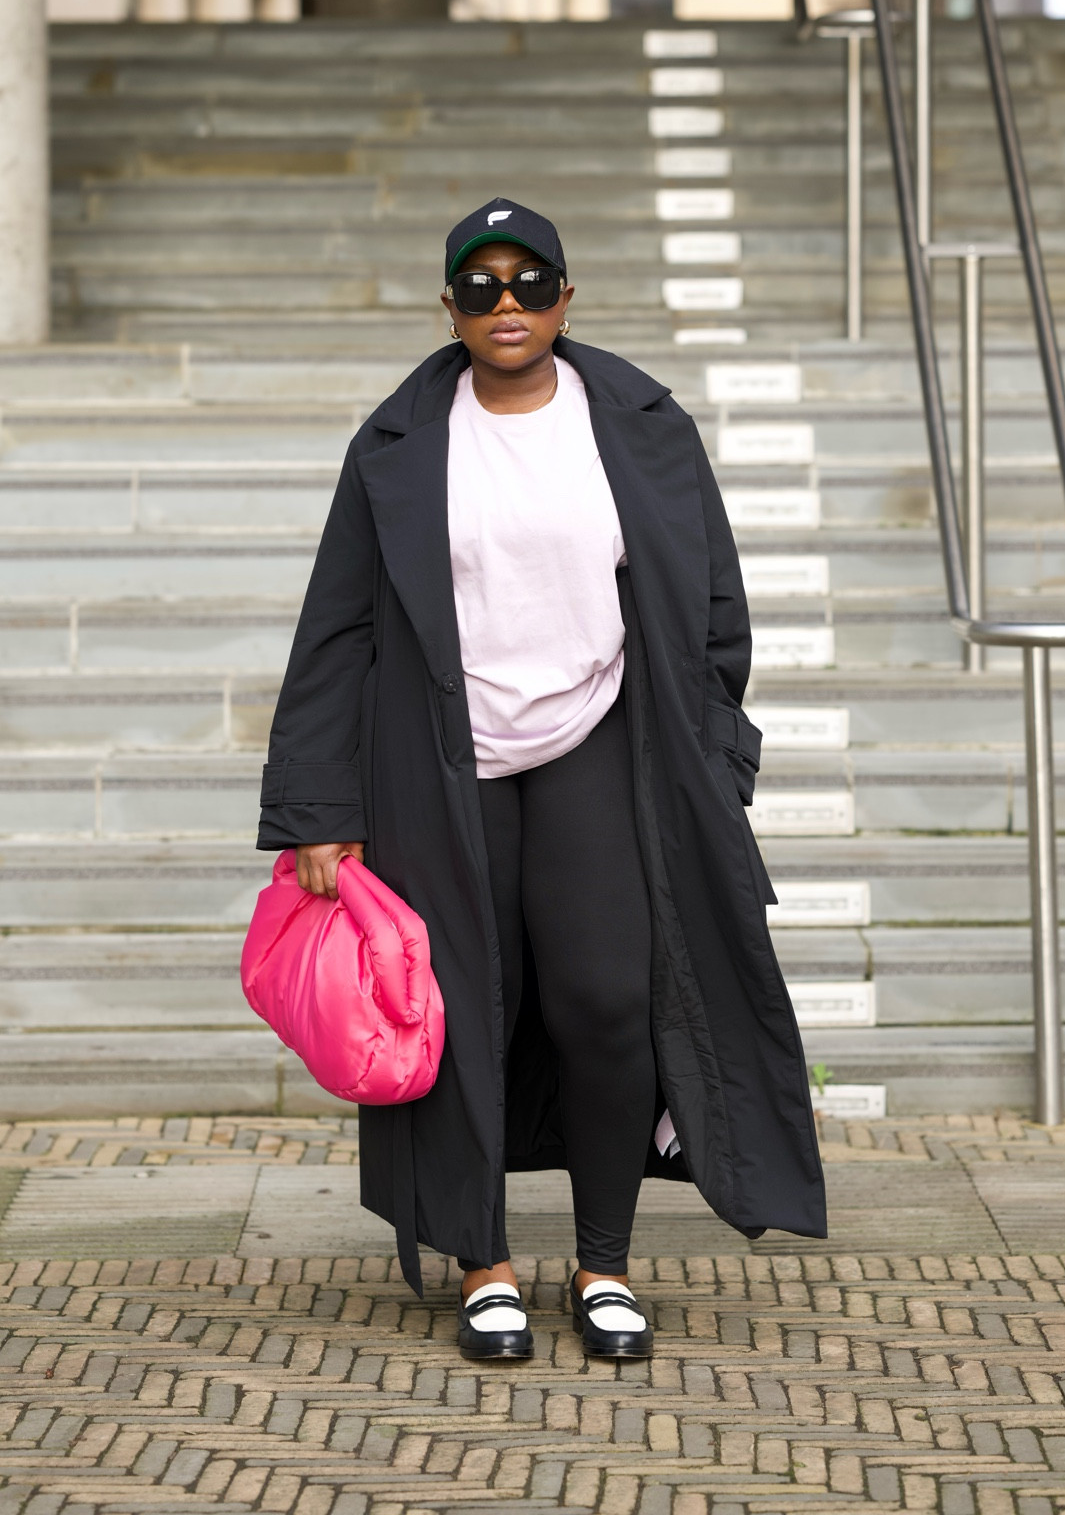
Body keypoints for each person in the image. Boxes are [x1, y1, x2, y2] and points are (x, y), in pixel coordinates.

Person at [258, 197, 826, 1362]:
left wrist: (713, 752)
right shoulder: (397, 443)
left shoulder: (641, 424)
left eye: (529, 283)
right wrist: (320, 806)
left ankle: (603, 1264)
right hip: (438, 756)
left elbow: (712, 602)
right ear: (450, 307)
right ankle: (486, 1265)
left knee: (607, 999)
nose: (505, 304)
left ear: (567, 299)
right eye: (481, 286)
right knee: (466, 1006)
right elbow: (339, 630)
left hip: (598, 736)